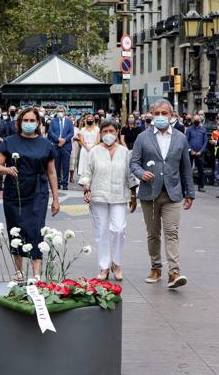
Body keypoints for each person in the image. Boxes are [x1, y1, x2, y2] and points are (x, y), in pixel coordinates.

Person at [130, 99, 194, 289]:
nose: (160, 117)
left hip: (172, 193)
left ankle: (174, 272)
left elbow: (186, 168)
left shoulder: (180, 138)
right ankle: (155, 268)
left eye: (164, 113)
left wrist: (189, 192)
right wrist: (142, 173)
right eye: (157, 113)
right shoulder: (143, 137)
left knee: (172, 233)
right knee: (153, 234)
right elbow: (134, 163)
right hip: (149, 194)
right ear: (151, 114)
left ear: (172, 115)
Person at [0, 108, 60, 281]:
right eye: (26, 120)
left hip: (37, 192)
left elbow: (52, 173)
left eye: (32, 121)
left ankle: (37, 274)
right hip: (14, 193)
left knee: (36, 231)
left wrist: (56, 198)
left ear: (38, 123)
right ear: (19, 122)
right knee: (16, 230)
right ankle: (19, 271)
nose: (29, 124)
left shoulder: (46, 145)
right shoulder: (9, 142)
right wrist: (8, 169)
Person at [80, 120, 138, 281]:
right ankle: (104, 266)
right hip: (98, 196)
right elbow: (86, 172)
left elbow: (131, 175)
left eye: (111, 131)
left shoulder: (125, 152)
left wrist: (133, 194)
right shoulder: (94, 152)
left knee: (119, 229)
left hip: (120, 195)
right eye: (105, 131)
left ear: (117, 132)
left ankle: (117, 263)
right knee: (101, 232)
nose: (108, 135)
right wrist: (87, 188)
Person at [47, 105, 74, 190]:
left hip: (66, 146)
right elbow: (50, 132)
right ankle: (57, 182)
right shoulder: (53, 121)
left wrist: (64, 140)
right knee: (56, 165)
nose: (60, 113)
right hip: (56, 145)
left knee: (66, 166)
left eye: (61, 111)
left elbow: (71, 133)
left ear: (64, 112)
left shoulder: (69, 121)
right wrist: (58, 139)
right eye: (59, 111)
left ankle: (65, 183)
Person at [185, 114, 208, 192]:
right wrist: (190, 150)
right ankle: (187, 187)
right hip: (190, 153)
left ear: (200, 120)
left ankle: (201, 186)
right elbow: (186, 140)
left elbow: (205, 142)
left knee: (201, 170)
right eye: (195, 119)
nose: (196, 121)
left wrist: (200, 151)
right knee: (188, 169)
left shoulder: (203, 129)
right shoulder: (189, 129)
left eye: (198, 120)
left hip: (200, 153)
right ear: (192, 120)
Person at [77, 113, 100, 179]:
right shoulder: (83, 129)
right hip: (85, 148)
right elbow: (81, 140)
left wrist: (92, 147)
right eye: (88, 119)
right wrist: (86, 147)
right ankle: (83, 178)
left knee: (93, 162)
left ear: (93, 120)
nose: (90, 120)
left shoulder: (97, 129)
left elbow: (98, 139)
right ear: (86, 120)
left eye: (91, 119)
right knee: (84, 162)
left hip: (94, 147)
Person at [70, 119, 80, 183]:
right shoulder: (66, 128)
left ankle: (71, 177)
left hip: (75, 147)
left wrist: (76, 138)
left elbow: (80, 138)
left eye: (73, 120)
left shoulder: (77, 129)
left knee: (73, 163)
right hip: (67, 146)